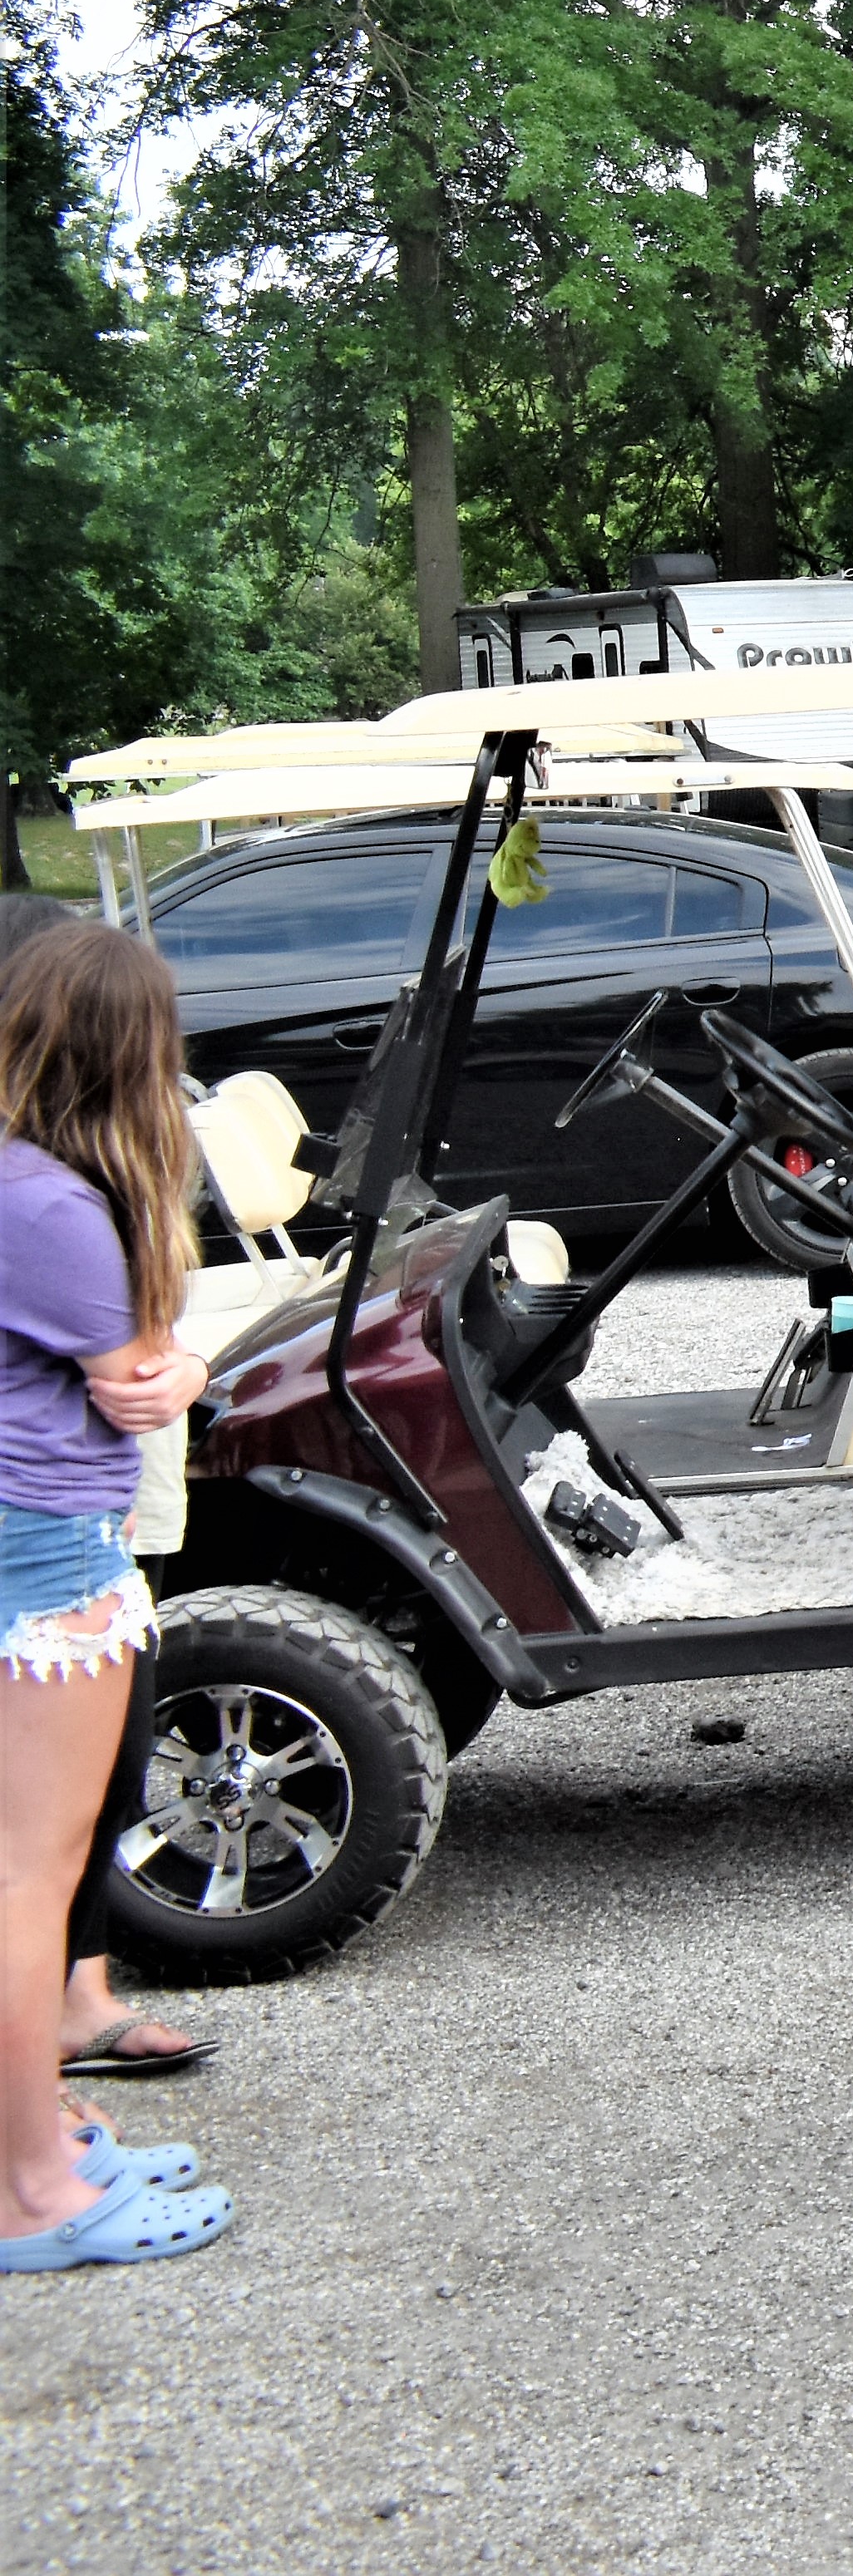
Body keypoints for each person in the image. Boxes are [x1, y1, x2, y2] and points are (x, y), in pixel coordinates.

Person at [0, 923, 228, 2270]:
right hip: (49, 1552)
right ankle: (36, 2189)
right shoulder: (56, 1208)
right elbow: (141, 1374)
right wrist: (183, 1373)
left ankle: (34, 2134)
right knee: (31, 1882)